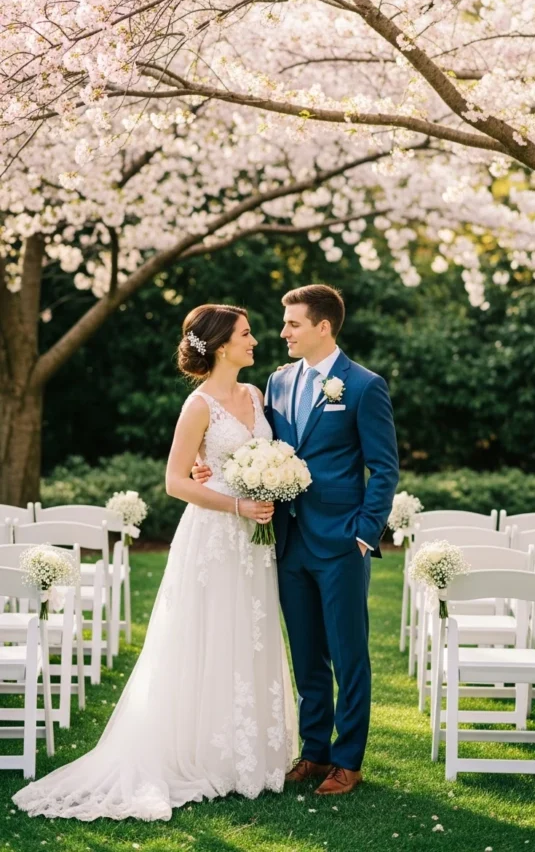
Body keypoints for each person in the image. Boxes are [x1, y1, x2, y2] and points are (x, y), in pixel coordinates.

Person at [13, 304, 297, 821]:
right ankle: (202, 754)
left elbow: (259, 456)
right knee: (208, 634)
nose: (255, 340)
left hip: (253, 539)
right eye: (246, 333)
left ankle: (248, 755)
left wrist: (270, 480)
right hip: (214, 535)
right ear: (221, 345)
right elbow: (175, 482)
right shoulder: (198, 405)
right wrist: (236, 502)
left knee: (249, 632)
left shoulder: (256, 396)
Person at [194, 285, 399, 795]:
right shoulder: (277, 382)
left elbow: (385, 468)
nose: (281, 332)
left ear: (322, 327)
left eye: (292, 324)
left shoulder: (364, 386)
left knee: (349, 655)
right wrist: (209, 469)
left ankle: (347, 760)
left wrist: (363, 534)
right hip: (284, 539)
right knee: (306, 654)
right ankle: (314, 752)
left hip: (341, 542)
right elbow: (255, 447)